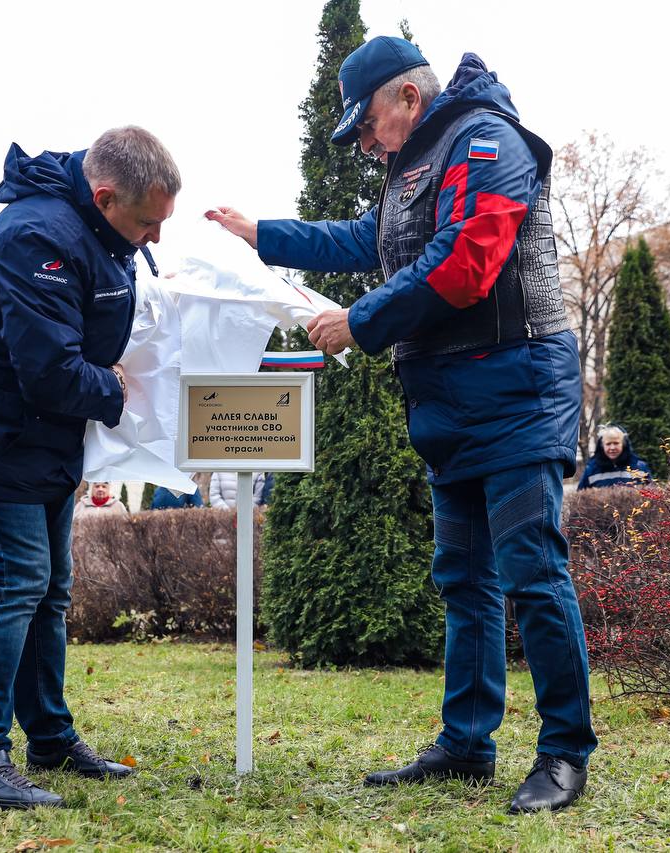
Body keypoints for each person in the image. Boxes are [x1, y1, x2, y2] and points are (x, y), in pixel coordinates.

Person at [207, 38, 596, 813]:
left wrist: (360, 320)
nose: (364, 141)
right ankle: (466, 745)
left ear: (408, 100)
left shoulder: (488, 142)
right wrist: (264, 235)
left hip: (517, 388)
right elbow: (365, 241)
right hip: (451, 404)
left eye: (368, 123)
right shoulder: (410, 167)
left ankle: (564, 752)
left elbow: (466, 261)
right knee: (464, 578)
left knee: (531, 571)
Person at [0, 126, 180, 809]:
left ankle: (48, 735)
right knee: (14, 582)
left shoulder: (96, 232)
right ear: (104, 196)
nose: (154, 238)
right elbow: (49, 371)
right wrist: (119, 389)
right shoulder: (39, 239)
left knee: (49, 588)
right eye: (148, 222)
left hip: (39, 438)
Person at [577, 425, 652, 490]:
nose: (612, 447)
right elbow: (580, 497)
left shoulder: (639, 467)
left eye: (616, 443)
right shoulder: (591, 469)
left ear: (623, 444)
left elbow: (652, 494)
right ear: (602, 446)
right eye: (608, 444)